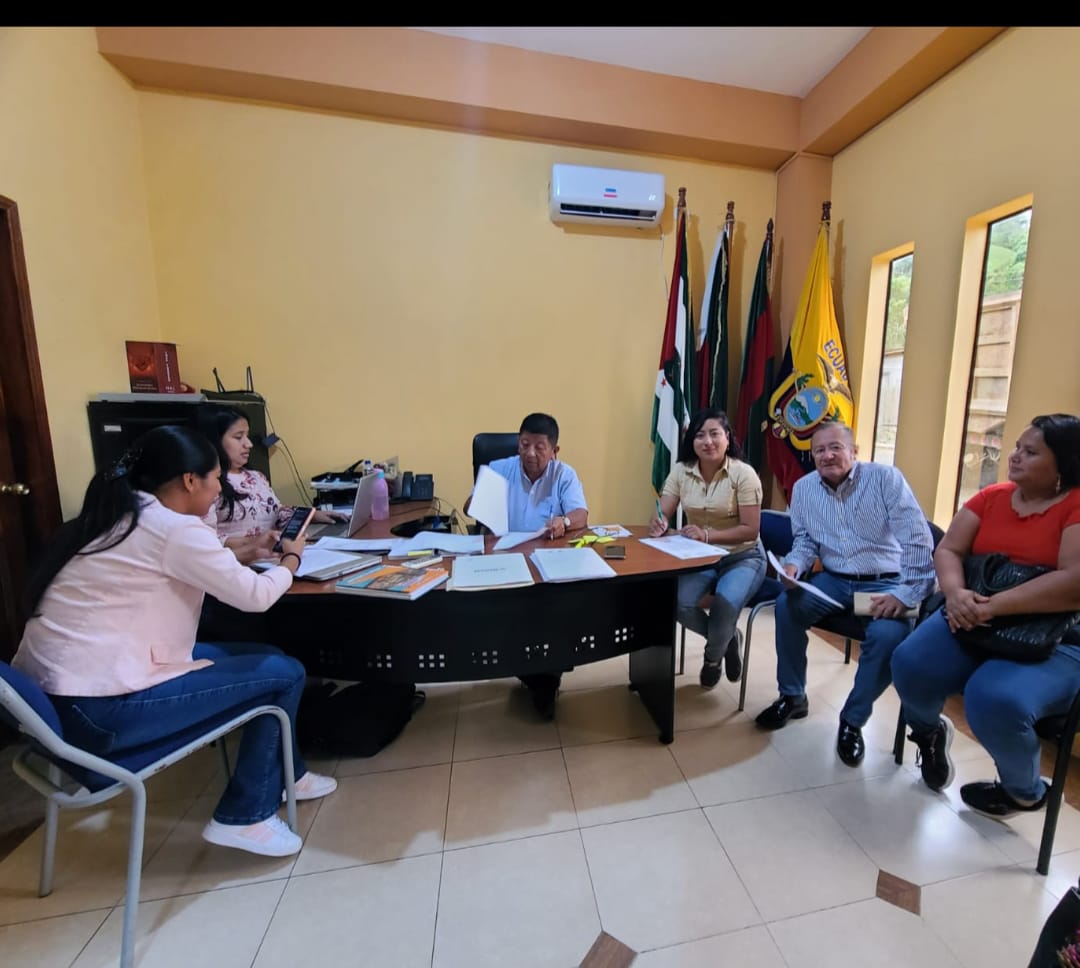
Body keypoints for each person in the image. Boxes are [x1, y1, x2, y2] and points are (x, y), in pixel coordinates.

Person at [13, 425, 337, 858]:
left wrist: (240, 551)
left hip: (57, 704)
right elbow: (256, 597)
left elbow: (171, 561)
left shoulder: (118, 515)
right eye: (215, 478)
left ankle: (288, 774)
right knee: (286, 673)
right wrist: (291, 559)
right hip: (101, 713)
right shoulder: (174, 529)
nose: (219, 488)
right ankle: (245, 815)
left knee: (267, 658)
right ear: (189, 481)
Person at [891, 413, 1080, 815]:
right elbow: (949, 549)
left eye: (1031, 452)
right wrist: (956, 593)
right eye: (1018, 447)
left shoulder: (1076, 505)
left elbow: (1073, 583)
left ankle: (1024, 791)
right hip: (973, 617)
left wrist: (991, 606)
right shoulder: (992, 497)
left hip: (1055, 636)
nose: (1015, 456)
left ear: (1064, 464)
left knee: (994, 698)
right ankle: (928, 734)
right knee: (910, 663)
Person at [754, 418, 935, 769]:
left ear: (854, 451)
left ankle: (852, 720)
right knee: (787, 606)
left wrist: (905, 595)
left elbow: (917, 540)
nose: (827, 456)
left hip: (886, 583)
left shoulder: (885, 480)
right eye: (819, 450)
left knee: (888, 636)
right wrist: (794, 566)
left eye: (835, 447)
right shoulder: (804, 489)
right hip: (835, 582)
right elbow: (804, 541)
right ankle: (793, 696)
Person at [470, 412, 588, 719]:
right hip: (505, 561)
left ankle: (544, 676)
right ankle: (539, 678)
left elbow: (581, 515)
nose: (530, 453)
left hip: (547, 563)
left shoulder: (564, 474)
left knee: (557, 611)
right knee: (510, 616)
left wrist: (564, 521)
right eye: (524, 444)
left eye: (539, 447)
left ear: (554, 450)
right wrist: (477, 502)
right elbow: (473, 507)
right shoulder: (500, 468)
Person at [649, 407, 766, 689]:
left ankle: (712, 659)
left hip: (743, 556)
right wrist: (659, 522)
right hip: (700, 556)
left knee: (725, 604)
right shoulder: (681, 470)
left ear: (728, 437)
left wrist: (706, 535)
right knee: (678, 603)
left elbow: (750, 530)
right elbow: (663, 510)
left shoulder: (744, 474)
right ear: (692, 441)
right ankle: (728, 639)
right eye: (700, 435)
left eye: (715, 434)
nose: (707, 441)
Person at [195, 404, 345, 561]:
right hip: (241, 562)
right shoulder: (208, 484)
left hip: (273, 557)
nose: (249, 444)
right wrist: (255, 543)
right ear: (214, 441)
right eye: (238, 437)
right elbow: (207, 540)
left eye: (247, 436)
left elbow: (276, 512)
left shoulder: (256, 477)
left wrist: (311, 515)